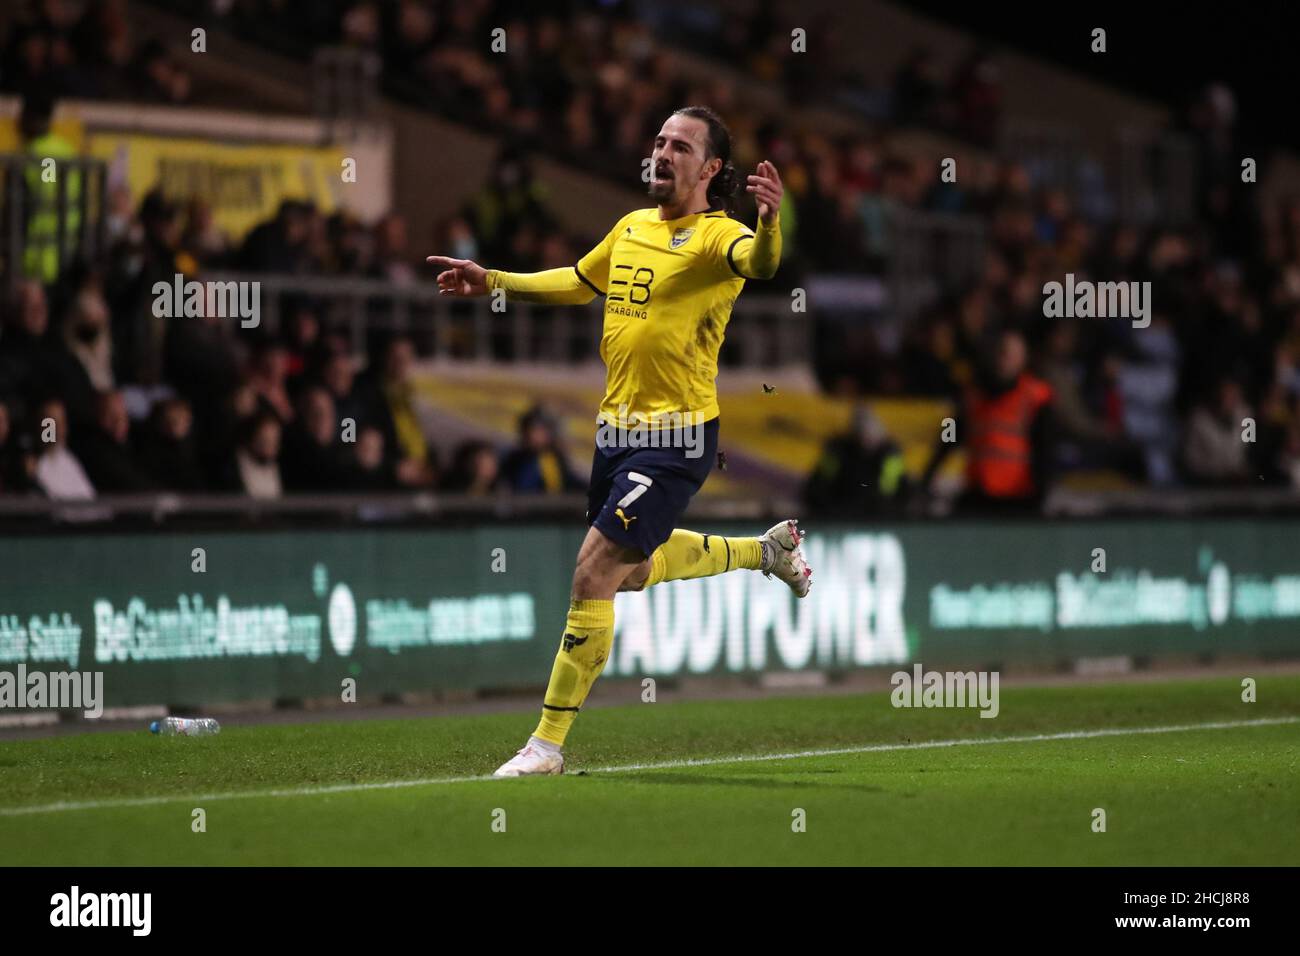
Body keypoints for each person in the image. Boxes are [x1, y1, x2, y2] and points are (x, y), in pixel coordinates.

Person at [429, 106, 812, 777]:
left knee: (592, 571)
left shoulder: (717, 236)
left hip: (676, 437)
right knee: (630, 572)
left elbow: (762, 263)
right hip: (617, 436)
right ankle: (765, 551)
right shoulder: (631, 227)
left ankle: (544, 746)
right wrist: (493, 281)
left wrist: (771, 221)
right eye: (659, 141)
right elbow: (578, 284)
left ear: (711, 168)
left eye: (680, 146)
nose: (662, 153)